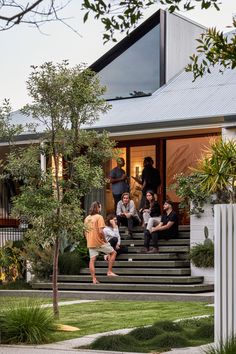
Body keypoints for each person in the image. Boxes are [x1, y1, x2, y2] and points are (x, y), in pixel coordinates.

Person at [84, 201, 118, 284]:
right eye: (100, 207)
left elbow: (85, 232)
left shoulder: (87, 218)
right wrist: (105, 241)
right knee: (113, 253)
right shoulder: (99, 217)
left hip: (90, 242)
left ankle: (94, 279)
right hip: (99, 242)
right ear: (98, 208)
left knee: (92, 260)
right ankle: (109, 272)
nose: (101, 208)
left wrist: (88, 240)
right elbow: (100, 231)